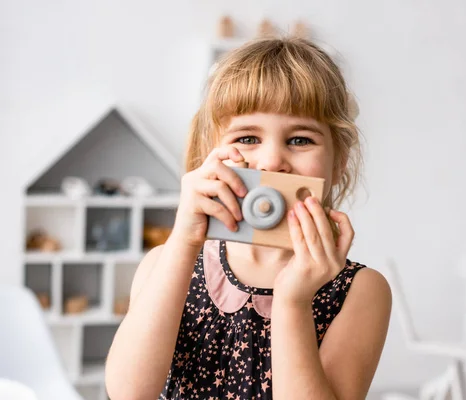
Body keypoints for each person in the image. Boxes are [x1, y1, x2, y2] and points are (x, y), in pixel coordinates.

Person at [105, 36, 392, 400]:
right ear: (213, 154)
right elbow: (129, 393)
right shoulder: (166, 263)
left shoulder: (359, 290)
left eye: (301, 140)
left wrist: (293, 302)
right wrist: (183, 240)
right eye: (247, 138)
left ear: (339, 163)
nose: (271, 161)